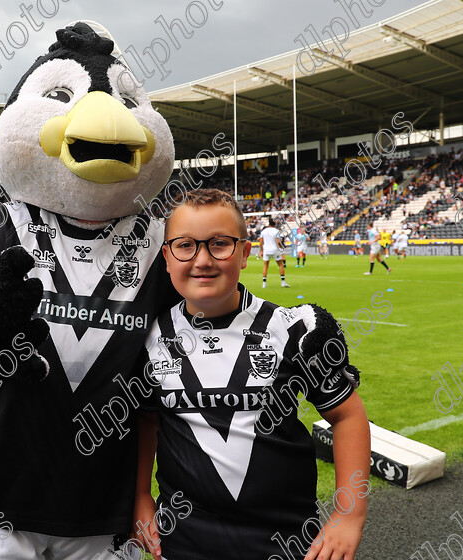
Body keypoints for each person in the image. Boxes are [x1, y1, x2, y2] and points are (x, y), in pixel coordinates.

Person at [132, 189, 370, 560]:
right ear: (166, 257)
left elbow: (348, 415)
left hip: (287, 541)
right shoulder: (147, 338)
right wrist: (141, 495)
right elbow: (147, 420)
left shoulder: (296, 329)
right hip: (184, 540)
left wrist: (348, 514)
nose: (203, 260)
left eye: (220, 244)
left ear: (245, 253)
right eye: (185, 246)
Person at [258, 218, 290, 289]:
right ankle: (283, 282)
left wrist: (261, 250)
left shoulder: (264, 231)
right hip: (275, 249)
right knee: (280, 265)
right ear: (274, 224)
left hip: (266, 250)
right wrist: (281, 249)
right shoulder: (277, 231)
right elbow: (278, 242)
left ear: (269, 223)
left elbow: (260, 241)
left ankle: (264, 283)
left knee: (265, 266)